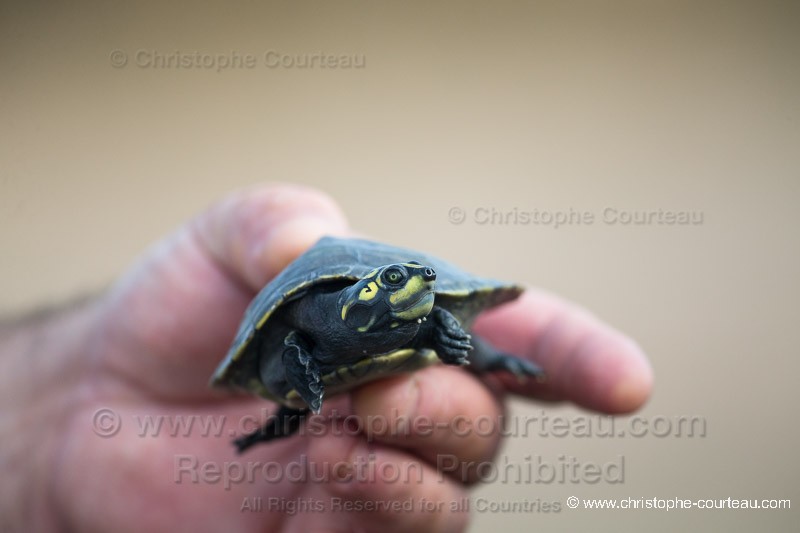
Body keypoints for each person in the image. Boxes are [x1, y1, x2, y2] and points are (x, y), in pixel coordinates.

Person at [0, 184, 652, 532]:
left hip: (394, 355)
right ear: (363, 294)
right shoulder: (315, 311)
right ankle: (271, 426)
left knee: (461, 346)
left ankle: (497, 356)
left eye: (416, 282)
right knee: (286, 384)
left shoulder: (421, 306)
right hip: (303, 362)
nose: (413, 288)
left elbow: (435, 318)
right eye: (397, 281)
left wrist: (459, 345)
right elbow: (289, 345)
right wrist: (301, 392)